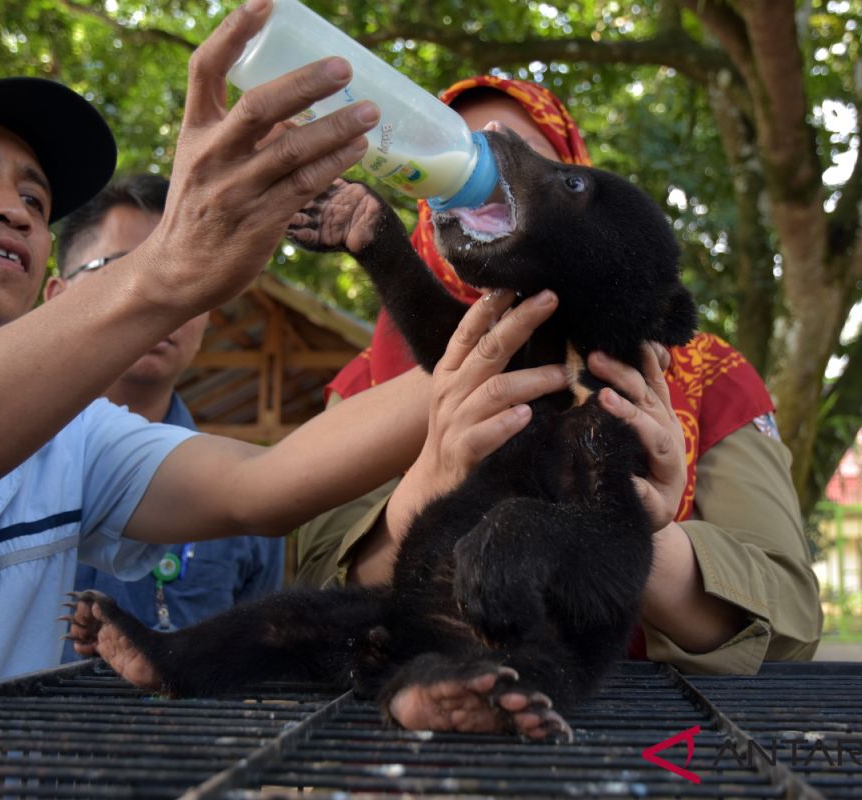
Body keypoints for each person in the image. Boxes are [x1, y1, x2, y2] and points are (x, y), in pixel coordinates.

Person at [0, 4, 569, 714]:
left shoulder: (73, 436)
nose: (13, 208)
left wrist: (544, 345)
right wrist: (165, 271)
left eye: (33, 197)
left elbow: (262, 482)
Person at [295, 75, 823, 675]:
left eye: (525, 152)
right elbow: (310, 579)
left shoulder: (707, 376)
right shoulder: (366, 378)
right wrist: (431, 482)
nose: (486, 149)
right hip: (402, 721)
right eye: (454, 149)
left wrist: (630, 527)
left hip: (649, 740)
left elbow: (793, 620)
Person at [44, 173, 284, 638]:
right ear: (58, 295)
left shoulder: (252, 501)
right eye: (125, 270)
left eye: (188, 279)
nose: (162, 298)